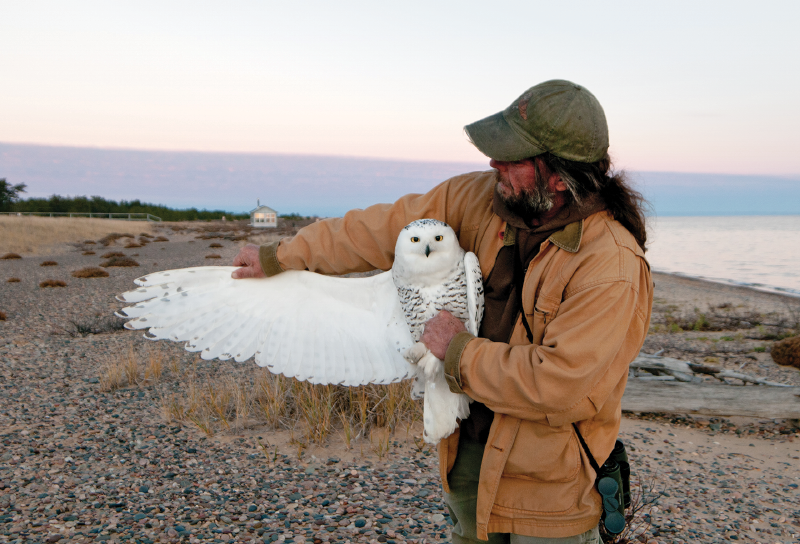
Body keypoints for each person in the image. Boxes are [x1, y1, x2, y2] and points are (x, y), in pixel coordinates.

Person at [232, 79, 653, 543]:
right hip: (468, 458)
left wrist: (457, 352)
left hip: (549, 494)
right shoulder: (477, 199)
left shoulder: (610, 263)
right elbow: (383, 227)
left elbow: (559, 383)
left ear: (558, 177)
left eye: (512, 156)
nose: (493, 162)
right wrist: (282, 256)